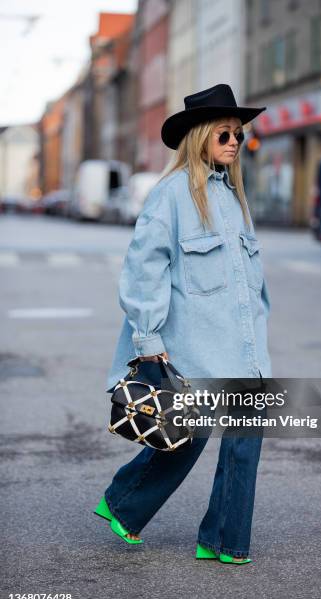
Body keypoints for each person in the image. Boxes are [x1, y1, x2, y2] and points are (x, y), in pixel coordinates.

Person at [94, 83, 273, 564]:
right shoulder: (171, 195)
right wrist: (148, 338)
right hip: (191, 344)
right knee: (184, 439)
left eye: (239, 134)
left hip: (242, 346)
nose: (235, 142)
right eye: (224, 134)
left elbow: (248, 282)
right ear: (200, 137)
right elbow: (143, 268)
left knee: (245, 442)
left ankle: (223, 541)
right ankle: (123, 503)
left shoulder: (235, 198)